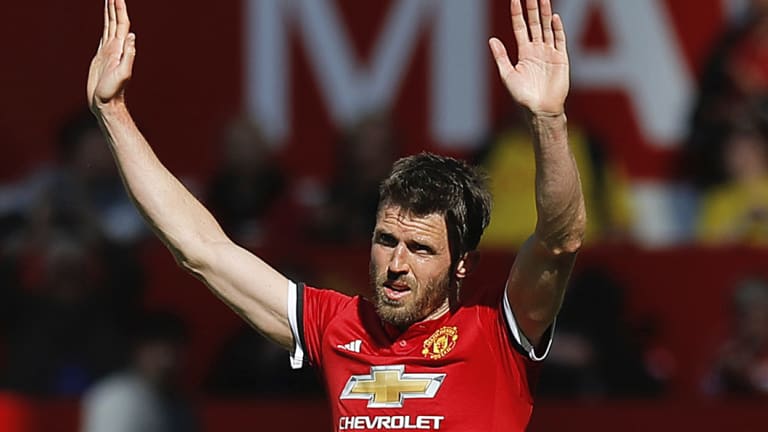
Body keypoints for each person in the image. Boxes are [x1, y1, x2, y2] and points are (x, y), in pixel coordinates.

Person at [87, 0, 585, 430]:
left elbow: (560, 240)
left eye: (420, 248)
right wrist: (113, 114)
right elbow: (202, 250)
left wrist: (547, 120)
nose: (395, 263)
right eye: (386, 239)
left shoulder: (498, 333)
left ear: (463, 265)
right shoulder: (337, 325)